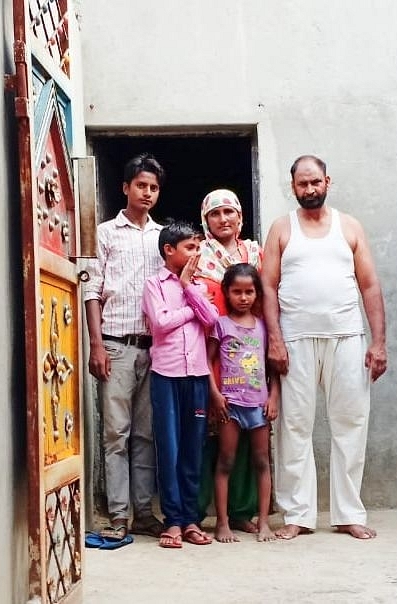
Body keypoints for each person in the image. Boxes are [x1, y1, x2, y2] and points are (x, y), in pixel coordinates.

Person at [261, 155, 387, 540]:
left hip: (347, 336)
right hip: (296, 339)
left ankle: (349, 513)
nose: (310, 190)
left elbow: (369, 285)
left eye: (315, 182)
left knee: (350, 423)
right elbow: (268, 285)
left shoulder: (349, 227)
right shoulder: (282, 229)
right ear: (293, 186)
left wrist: (378, 341)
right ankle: (298, 514)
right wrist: (276, 340)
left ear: (327, 181)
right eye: (302, 184)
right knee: (294, 426)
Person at [83, 153, 166, 541]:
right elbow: (92, 290)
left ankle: (145, 512)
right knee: (116, 433)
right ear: (125, 188)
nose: (147, 193)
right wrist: (96, 344)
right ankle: (119, 516)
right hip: (116, 346)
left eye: (153, 187)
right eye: (140, 186)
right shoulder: (104, 234)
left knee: (146, 435)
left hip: (156, 349)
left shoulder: (161, 237)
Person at [141, 221, 219, 548]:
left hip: (197, 376)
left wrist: (188, 289)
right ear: (169, 250)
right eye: (190, 247)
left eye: (198, 248)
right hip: (166, 376)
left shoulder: (199, 286)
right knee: (169, 448)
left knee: (192, 449)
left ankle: (190, 519)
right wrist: (191, 308)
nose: (196, 254)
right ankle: (172, 520)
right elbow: (160, 324)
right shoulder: (153, 284)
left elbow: (212, 319)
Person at [195, 189, 263, 534]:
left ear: (240, 217)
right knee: (210, 433)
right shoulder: (198, 255)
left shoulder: (255, 252)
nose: (223, 219)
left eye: (229, 212)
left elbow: (266, 300)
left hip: (248, 358)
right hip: (211, 352)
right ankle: (198, 511)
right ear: (206, 220)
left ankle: (241, 510)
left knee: (250, 434)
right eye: (215, 213)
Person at [207, 263, 279, 543]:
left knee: (262, 461)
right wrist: (214, 395)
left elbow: (273, 368)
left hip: (259, 406)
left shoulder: (263, 327)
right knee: (225, 461)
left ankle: (263, 522)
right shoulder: (221, 325)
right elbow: (207, 360)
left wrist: (273, 397)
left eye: (249, 292)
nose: (243, 297)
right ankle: (222, 523)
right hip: (230, 407)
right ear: (226, 292)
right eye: (237, 292)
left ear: (257, 294)